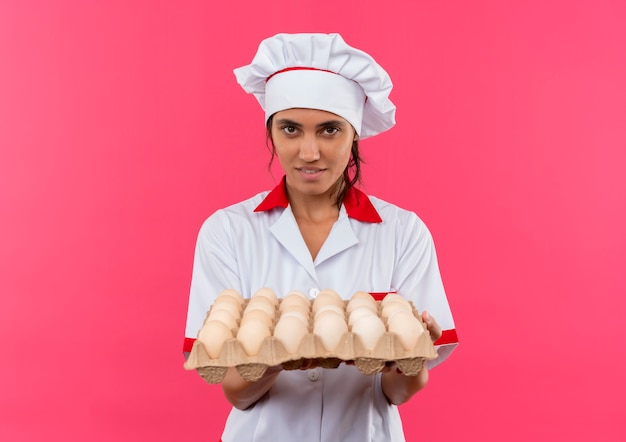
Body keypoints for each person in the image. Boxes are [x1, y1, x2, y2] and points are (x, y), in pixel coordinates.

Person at [183, 33, 458, 442]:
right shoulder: (228, 231)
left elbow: (398, 392)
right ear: (270, 132)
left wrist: (410, 361)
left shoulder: (403, 232)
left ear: (354, 135)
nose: (309, 152)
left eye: (329, 130)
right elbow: (238, 394)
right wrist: (278, 353)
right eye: (290, 129)